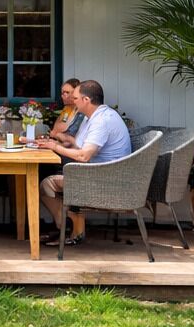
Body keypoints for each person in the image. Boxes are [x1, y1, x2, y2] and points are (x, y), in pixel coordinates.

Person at [34, 79, 134, 245]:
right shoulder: (93, 117)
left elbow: (83, 156)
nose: (72, 102)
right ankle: (69, 229)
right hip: (97, 173)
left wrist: (55, 147)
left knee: (46, 184)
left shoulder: (102, 120)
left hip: (105, 180)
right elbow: (78, 145)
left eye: (75, 98)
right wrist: (54, 143)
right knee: (49, 173)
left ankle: (67, 229)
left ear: (86, 100)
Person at [47, 77, 83, 145]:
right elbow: (57, 128)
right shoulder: (67, 108)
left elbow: (61, 131)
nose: (64, 96)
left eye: (67, 92)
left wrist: (56, 134)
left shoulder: (81, 111)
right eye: (63, 93)